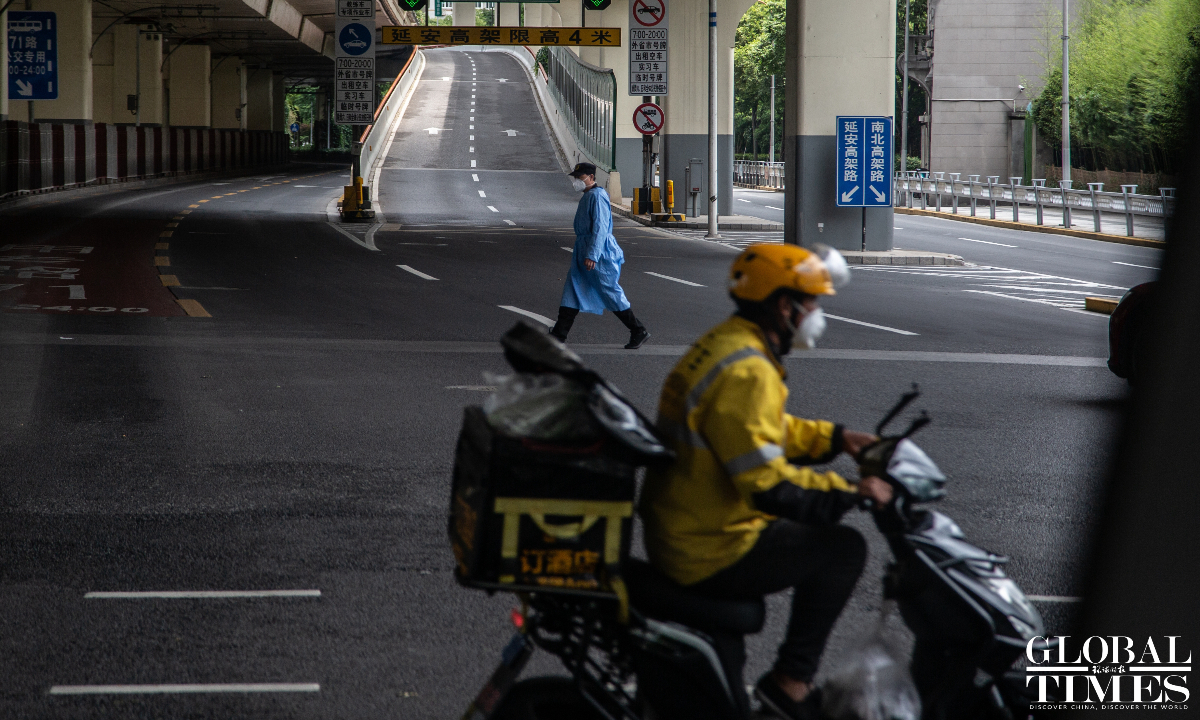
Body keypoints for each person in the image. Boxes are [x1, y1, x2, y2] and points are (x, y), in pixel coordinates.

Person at [639, 243, 894, 720]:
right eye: (811, 301)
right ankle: (790, 684)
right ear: (783, 305)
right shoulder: (748, 370)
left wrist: (836, 439)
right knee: (842, 550)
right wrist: (851, 492)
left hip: (690, 523)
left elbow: (757, 431)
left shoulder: (730, 343)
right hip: (709, 543)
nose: (816, 313)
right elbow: (768, 484)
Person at [550, 162, 650, 350]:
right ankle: (558, 335)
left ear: (591, 177)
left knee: (609, 291)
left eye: (580, 177)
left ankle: (638, 330)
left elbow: (600, 228)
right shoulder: (589, 195)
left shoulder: (597, 196)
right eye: (576, 177)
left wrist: (593, 255)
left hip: (600, 253)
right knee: (572, 290)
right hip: (584, 249)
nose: (577, 181)